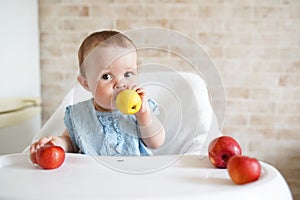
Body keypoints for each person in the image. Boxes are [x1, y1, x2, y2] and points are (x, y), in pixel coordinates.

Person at [30, 30, 165, 163]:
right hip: (92, 178)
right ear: (86, 84)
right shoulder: (80, 115)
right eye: (106, 76)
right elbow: (71, 143)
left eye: (128, 74)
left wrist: (144, 115)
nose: (120, 84)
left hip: (134, 175)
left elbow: (156, 142)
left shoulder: (142, 109)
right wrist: (57, 144)